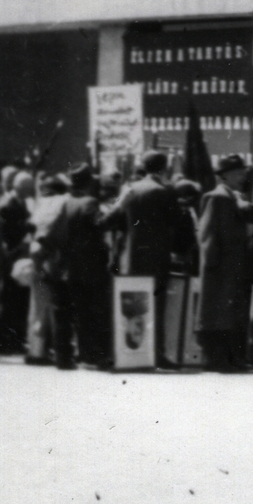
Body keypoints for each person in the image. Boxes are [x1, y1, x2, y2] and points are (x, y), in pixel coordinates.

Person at [101, 150, 183, 368]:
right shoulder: (166, 191)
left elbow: (108, 221)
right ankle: (157, 354)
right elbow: (177, 222)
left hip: (131, 258)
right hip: (157, 257)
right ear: (165, 168)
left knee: (129, 306)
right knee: (156, 305)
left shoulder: (130, 190)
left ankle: (127, 353)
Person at [36, 165, 111, 370]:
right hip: (87, 269)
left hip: (65, 267)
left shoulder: (66, 203)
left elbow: (51, 234)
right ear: (88, 182)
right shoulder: (90, 202)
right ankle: (90, 356)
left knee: (64, 315)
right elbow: (99, 225)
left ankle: (63, 357)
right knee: (87, 314)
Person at [196, 154, 253, 373]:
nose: (242, 177)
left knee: (230, 314)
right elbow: (209, 233)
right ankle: (218, 359)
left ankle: (230, 358)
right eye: (238, 173)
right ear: (226, 175)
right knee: (220, 314)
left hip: (231, 265)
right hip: (221, 266)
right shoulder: (218, 197)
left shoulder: (230, 197)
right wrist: (246, 231)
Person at [25, 175, 67, 365]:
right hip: (53, 257)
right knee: (54, 306)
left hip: (36, 256)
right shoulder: (62, 202)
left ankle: (36, 350)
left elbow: (31, 229)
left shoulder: (39, 205)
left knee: (38, 306)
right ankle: (49, 350)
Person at [0, 171, 36, 356]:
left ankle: (15, 341)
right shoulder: (7, 205)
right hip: (11, 257)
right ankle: (5, 341)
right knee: (10, 301)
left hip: (18, 255)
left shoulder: (19, 203)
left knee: (18, 300)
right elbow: (5, 234)